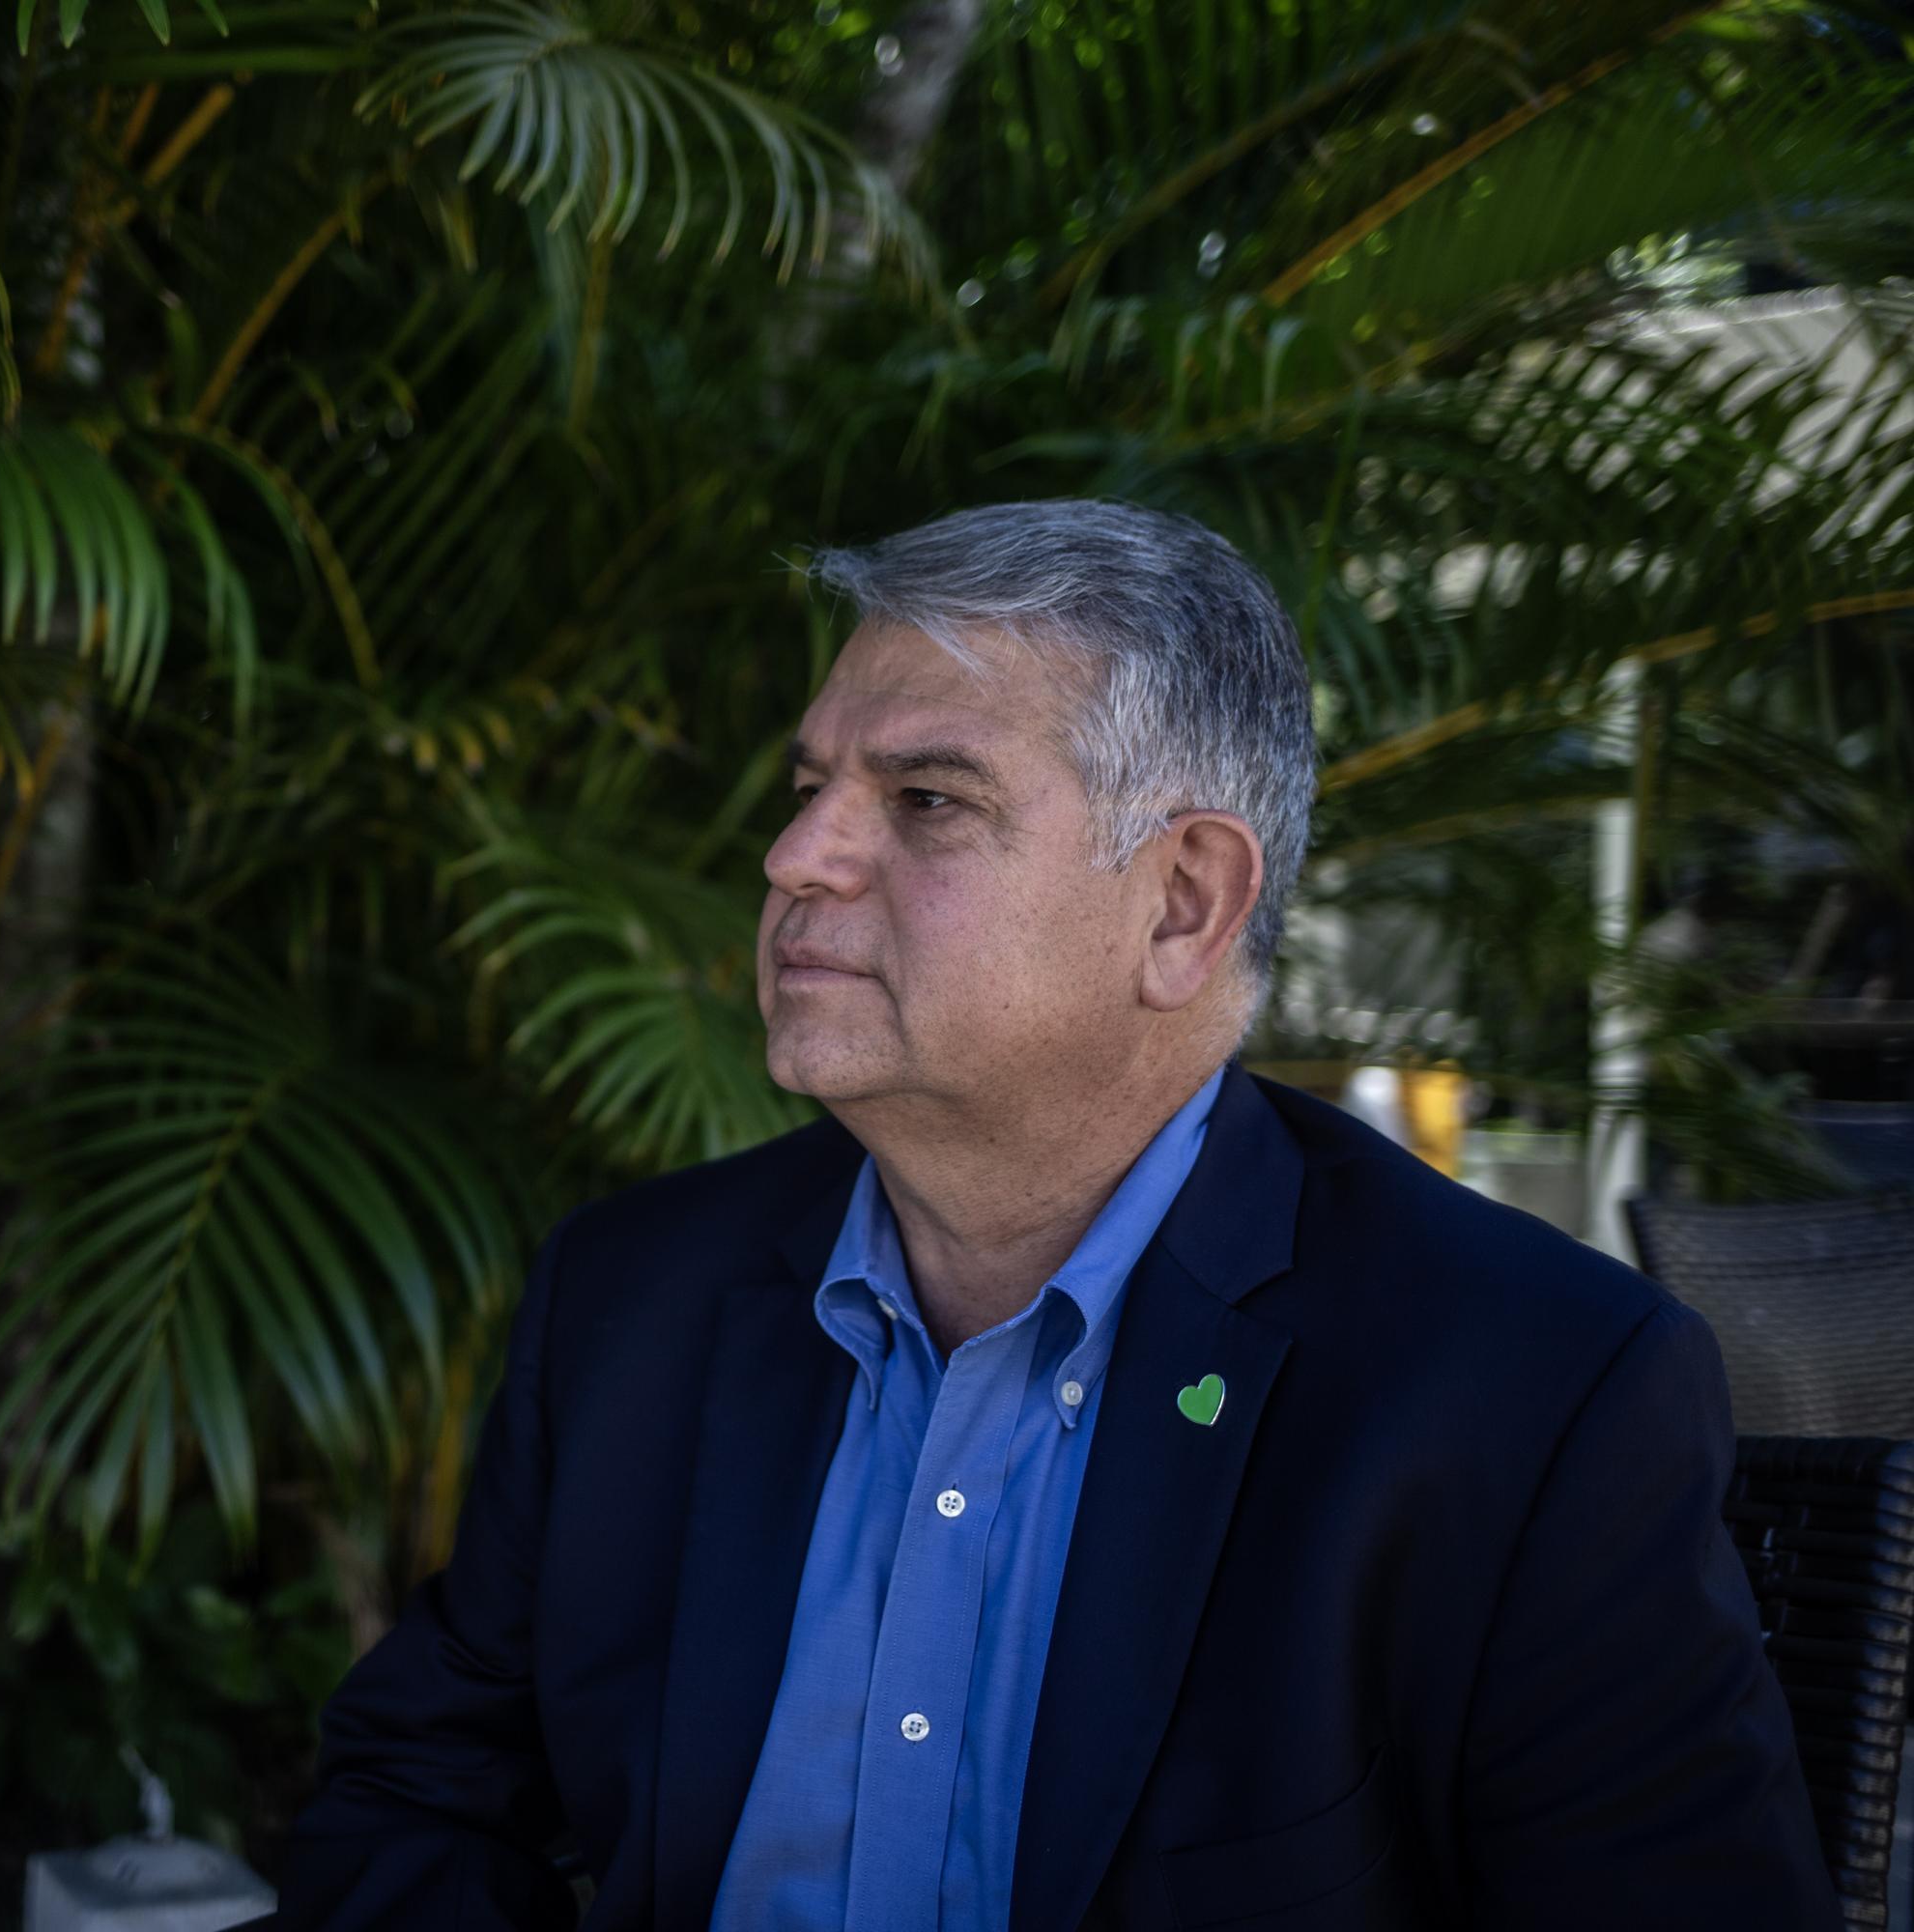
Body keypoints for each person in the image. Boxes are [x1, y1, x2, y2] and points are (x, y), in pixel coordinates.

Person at [263, 499, 1832, 1930]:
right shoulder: (634, 1301)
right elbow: (419, 1802)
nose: (794, 855)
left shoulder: (1521, 1393)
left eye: (926, 799)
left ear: (1181, 905)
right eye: (813, 787)